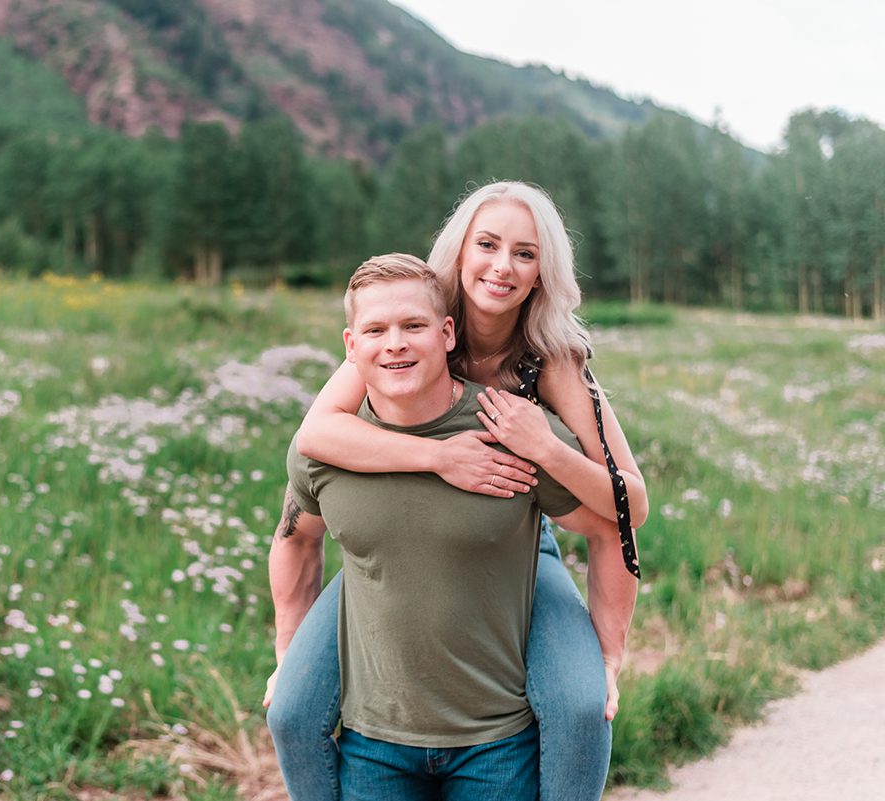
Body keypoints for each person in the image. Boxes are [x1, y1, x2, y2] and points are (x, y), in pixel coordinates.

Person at [266, 182, 644, 801]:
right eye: (487, 245)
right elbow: (316, 433)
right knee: (290, 711)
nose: (502, 266)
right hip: (394, 544)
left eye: (525, 253)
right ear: (458, 251)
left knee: (579, 707)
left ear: (543, 270)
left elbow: (629, 507)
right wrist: (441, 457)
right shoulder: (407, 322)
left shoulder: (553, 359)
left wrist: (545, 447)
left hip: (514, 536)